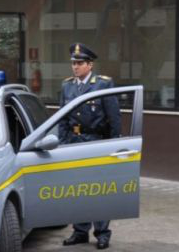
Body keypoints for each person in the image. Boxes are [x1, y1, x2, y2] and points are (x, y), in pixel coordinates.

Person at [60, 43, 121, 250]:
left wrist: (114, 146)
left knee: (98, 191)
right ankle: (80, 231)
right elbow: (62, 119)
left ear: (90, 65)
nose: (75, 67)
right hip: (74, 144)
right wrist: (62, 143)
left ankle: (102, 233)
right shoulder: (67, 86)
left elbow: (114, 117)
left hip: (97, 142)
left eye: (79, 63)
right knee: (77, 190)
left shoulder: (103, 84)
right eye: (73, 63)